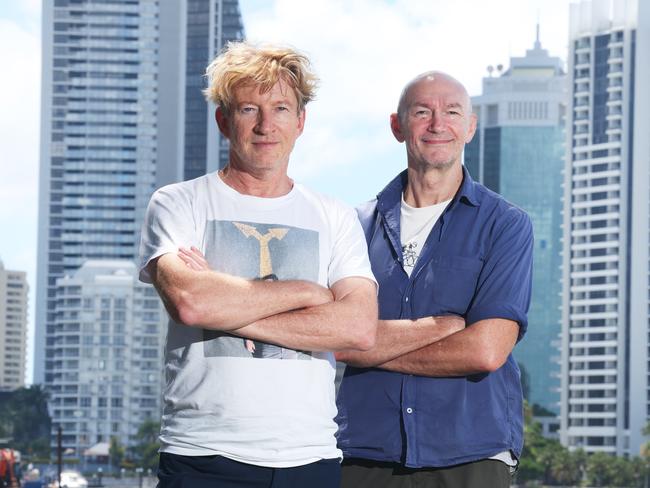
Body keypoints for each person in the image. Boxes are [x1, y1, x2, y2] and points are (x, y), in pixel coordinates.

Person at [139, 42, 378, 488]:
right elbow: (191, 304)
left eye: (282, 109)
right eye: (250, 109)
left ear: (301, 122)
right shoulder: (179, 203)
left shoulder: (334, 215)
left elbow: (359, 327)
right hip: (202, 453)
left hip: (311, 457)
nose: (267, 125)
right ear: (224, 121)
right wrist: (309, 294)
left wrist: (228, 304)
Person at [335, 71, 533, 488]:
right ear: (397, 126)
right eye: (422, 112)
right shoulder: (352, 226)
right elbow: (333, 338)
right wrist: (437, 329)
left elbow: (485, 350)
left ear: (470, 128)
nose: (438, 124)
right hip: (364, 450)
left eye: (452, 112)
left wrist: (364, 347)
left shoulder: (506, 224)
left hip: (471, 452)